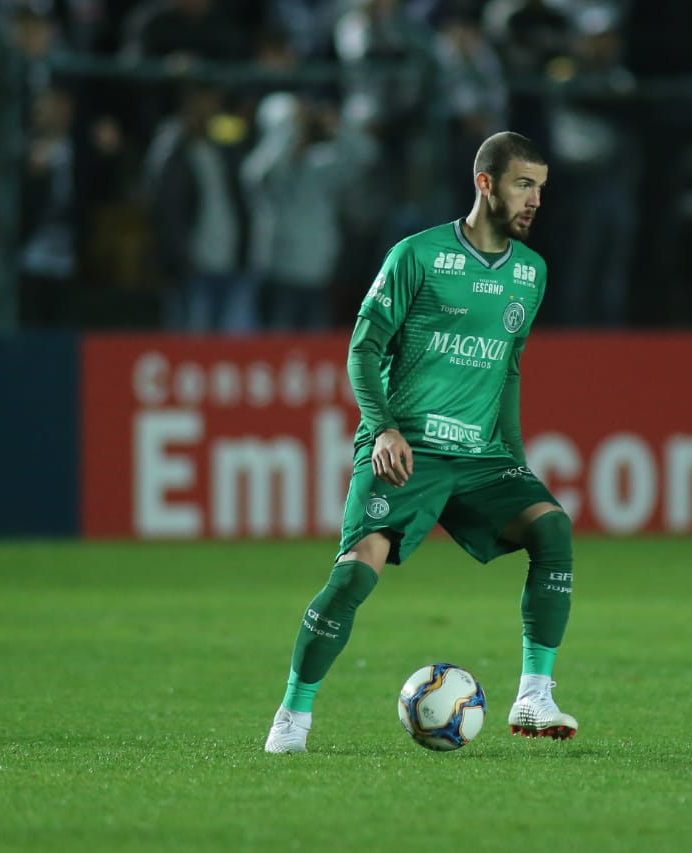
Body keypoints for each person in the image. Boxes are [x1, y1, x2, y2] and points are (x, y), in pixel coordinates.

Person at [264, 131, 577, 753]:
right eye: (523, 184)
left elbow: (508, 368)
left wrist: (513, 459)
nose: (535, 199)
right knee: (356, 576)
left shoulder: (530, 273)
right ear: (484, 183)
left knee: (552, 528)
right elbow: (364, 348)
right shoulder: (419, 255)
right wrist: (381, 426)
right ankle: (291, 718)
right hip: (408, 447)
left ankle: (534, 695)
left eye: (540, 187)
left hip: (482, 456)